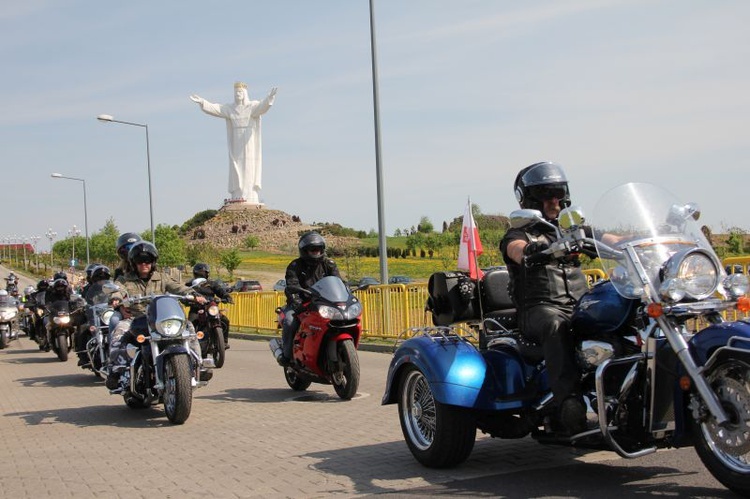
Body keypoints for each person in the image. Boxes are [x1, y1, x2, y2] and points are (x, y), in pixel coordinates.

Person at [500, 161, 589, 435]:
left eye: (558, 194)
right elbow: (515, 248)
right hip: (538, 310)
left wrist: (644, 240)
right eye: (546, 194)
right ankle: (569, 402)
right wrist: (532, 249)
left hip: (578, 305)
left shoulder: (571, 229)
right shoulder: (518, 232)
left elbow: (607, 237)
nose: (554, 201)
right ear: (531, 198)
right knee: (555, 324)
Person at [106, 241, 207, 389]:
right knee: (119, 332)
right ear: (134, 263)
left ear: (153, 262)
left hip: (161, 318)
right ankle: (115, 371)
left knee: (189, 329)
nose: (144, 264)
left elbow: (179, 288)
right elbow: (118, 289)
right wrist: (116, 298)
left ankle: (199, 364)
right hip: (136, 317)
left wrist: (193, 294)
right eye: (140, 261)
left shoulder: (162, 277)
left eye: (147, 261)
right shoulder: (125, 279)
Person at [189, 82, 278, 204]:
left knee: (249, 167)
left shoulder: (251, 107)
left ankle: (250, 195)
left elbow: (263, 107)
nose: (237, 94)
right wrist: (203, 102)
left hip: (249, 142)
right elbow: (216, 109)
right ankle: (238, 194)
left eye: (240, 92)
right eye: (236, 92)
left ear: (245, 93)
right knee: (237, 167)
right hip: (236, 142)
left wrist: (270, 98)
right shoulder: (230, 108)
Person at [278, 232, 340, 366]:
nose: (316, 252)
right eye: (312, 250)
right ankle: (287, 356)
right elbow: (292, 285)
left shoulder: (329, 264)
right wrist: (296, 301)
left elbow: (338, 281)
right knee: (289, 322)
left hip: (324, 304)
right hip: (302, 304)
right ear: (305, 251)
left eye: (318, 249)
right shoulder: (295, 266)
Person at [186, 263, 234, 349]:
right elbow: (184, 295)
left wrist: (226, 297)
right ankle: (190, 346)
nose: (206, 273)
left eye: (206, 272)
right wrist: (187, 301)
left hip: (211, 308)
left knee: (225, 320)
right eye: (204, 272)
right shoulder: (190, 284)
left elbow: (220, 291)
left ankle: (224, 342)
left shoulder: (212, 283)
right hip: (196, 309)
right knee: (190, 324)